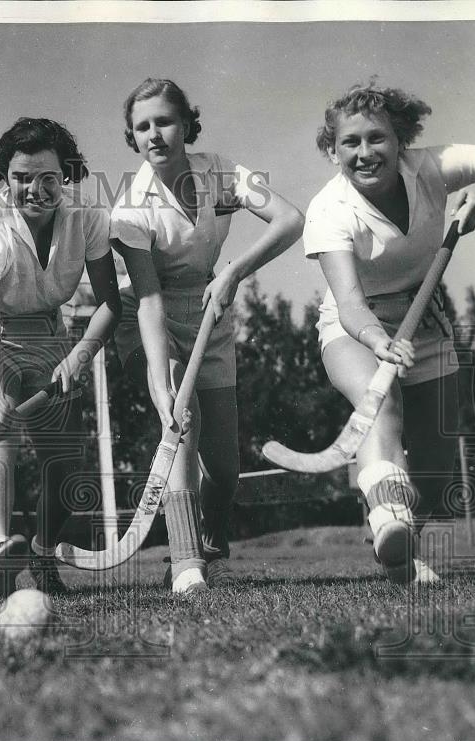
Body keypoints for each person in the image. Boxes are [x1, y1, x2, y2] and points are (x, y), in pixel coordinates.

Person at [112, 78, 304, 592]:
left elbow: (291, 219)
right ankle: (184, 559)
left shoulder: (222, 171)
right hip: (147, 315)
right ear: (132, 137)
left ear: (186, 124)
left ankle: (213, 546)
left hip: (211, 308)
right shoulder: (129, 207)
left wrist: (234, 272)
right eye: (142, 126)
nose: (155, 134)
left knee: (224, 468)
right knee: (182, 416)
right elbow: (148, 298)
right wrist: (160, 381)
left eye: (164, 121)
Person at [305, 82, 475, 584]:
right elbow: (348, 302)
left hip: (423, 317)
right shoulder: (329, 210)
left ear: (400, 140)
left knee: (435, 459)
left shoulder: (431, 166)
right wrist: (376, 340)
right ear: (333, 150)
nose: (365, 153)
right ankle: (387, 517)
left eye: (377, 138)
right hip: (355, 327)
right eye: (350, 143)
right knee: (378, 399)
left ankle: (405, 554)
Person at [0, 117, 121, 598]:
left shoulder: (87, 219)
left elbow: (112, 303)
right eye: (22, 177)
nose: (34, 189)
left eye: (48, 177)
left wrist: (80, 355)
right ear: (5, 177)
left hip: (51, 334)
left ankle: (43, 555)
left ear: (65, 175)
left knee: (66, 467)